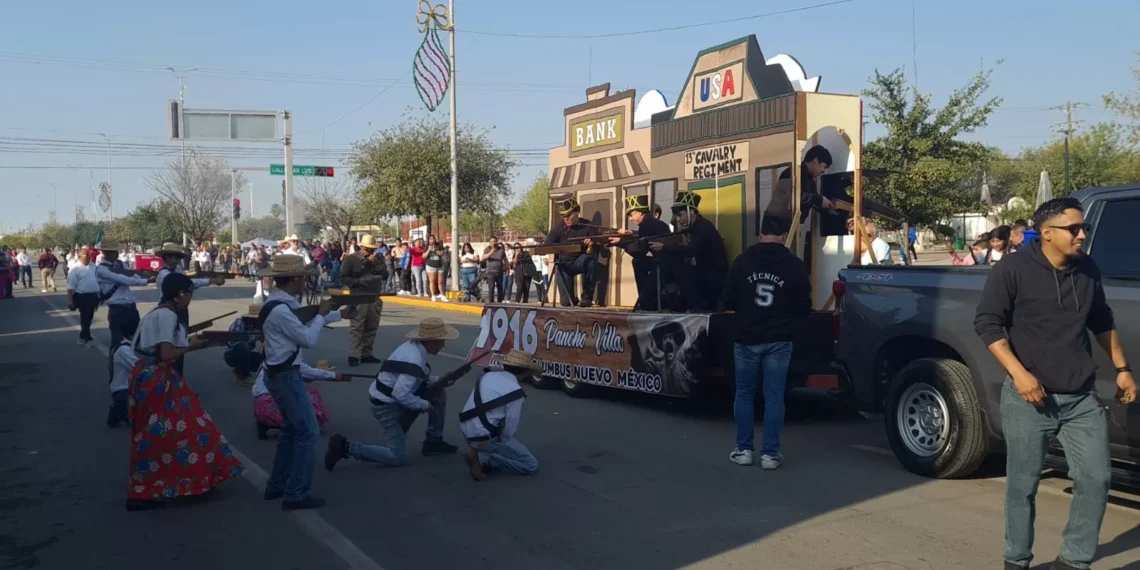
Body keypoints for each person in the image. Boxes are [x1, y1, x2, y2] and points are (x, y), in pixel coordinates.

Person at [974, 197, 1136, 570]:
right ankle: (1016, 560)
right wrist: (1020, 373)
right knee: (1022, 486)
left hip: (1080, 398)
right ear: (1046, 233)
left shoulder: (1087, 269)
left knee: (1096, 479)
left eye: (1085, 229)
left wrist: (1123, 368)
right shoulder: (1013, 269)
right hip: (1031, 399)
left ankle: (1074, 561)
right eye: (1074, 229)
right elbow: (987, 324)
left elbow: (1102, 321)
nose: (1082, 235)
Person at [124, 273, 242, 511]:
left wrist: (198, 343)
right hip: (155, 376)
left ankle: (190, 480)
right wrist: (193, 346)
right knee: (158, 434)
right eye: (189, 294)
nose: (190, 299)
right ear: (179, 295)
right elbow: (167, 354)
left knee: (188, 428)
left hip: (154, 375)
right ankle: (143, 490)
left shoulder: (159, 313)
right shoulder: (167, 316)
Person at [257, 254, 349, 511]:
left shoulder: (279, 304)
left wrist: (337, 314)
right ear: (295, 279)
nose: (305, 283)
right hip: (286, 376)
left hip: (280, 374)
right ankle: (295, 493)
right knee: (308, 433)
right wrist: (321, 315)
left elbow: (303, 320)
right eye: (303, 278)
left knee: (291, 431)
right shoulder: (282, 310)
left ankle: (278, 484)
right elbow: (307, 337)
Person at [723, 215, 812, 469]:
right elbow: (804, 307)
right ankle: (770, 455)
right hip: (780, 340)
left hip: (747, 338)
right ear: (784, 236)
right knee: (774, 397)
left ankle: (744, 450)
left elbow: (727, 300)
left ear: (760, 234)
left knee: (744, 394)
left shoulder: (742, 262)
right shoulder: (794, 265)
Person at [324, 318, 462, 471]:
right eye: (440, 342)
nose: (443, 345)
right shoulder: (414, 358)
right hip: (386, 406)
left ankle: (433, 441)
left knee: (438, 392)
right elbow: (400, 394)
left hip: (387, 397)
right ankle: (346, 447)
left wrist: (439, 381)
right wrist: (424, 405)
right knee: (398, 457)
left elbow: (413, 378)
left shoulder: (412, 347)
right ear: (429, 341)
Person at [460, 350, 540, 481]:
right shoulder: (516, 392)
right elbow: (508, 432)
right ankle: (481, 458)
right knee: (531, 465)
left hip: (466, 428)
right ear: (525, 373)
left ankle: (481, 451)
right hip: (482, 437)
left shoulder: (487, 375)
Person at [155, 242, 225, 374]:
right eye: (174, 257)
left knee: (180, 344)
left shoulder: (176, 270)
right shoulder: (164, 274)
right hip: (170, 309)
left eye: (178, 257)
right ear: (167, 257)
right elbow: (188, 283)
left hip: (180, 309)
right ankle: (170, 384)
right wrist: (210, 281)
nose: (177, 260)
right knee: (171, 348)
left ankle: (177, 383)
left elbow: (188, 283)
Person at [659, 191, 728, 311]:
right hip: (709, 272)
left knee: (680, 269)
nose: (679, 220)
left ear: (691, 212)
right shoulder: (699, 226)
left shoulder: (702, 228)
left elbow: (691, 251)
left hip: (715, 274)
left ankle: (698, 306)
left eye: (681, 215)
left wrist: (664, 247)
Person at [611, 194, 677, 311]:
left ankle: (648, 300)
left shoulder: (646, 224)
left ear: (640, 212)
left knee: (646, 301)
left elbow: (639, 250)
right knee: (638, 262)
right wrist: (628, 235)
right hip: (666, 263)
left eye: (631, 215)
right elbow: (642, 239)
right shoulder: (652, 222)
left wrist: (621, 242)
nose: (630, 219)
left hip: (663, 266)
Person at [543, 194, 604, 307]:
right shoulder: (558, 227)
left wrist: (593, 242)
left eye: (568, 216)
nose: (565, 219)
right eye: (563, 216)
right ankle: (573, 298)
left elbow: (600, 240)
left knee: (590, 261)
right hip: (563, 264)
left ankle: (586, 298)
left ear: (577, 212)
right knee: (566, 303)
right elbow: (546, 245)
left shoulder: (587, 225)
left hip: (579, 261)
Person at [339, 234, 388, 367]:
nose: (370, 252)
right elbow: (343, 278)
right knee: (357, 326)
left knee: (372, 325)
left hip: (374, 295)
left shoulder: (377, 258)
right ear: (361, 247)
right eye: (367, 249)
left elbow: (385, 275)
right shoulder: (351, 259)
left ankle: (366, 353)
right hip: (358, 295)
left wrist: (377, 263)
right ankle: (354, 355)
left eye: (372, 249)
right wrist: (358, 281)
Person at [107, 317, 140, 428]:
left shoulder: (130, 347)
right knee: (138, 422)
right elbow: (139, 367)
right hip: (123, 390)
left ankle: (118, 409)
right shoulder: (124, 351)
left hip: (130, 389)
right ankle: (118, 409)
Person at [223, 304, 265, 387]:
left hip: (245, 355)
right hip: (231, 354)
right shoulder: (239, 322)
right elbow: (236, 343)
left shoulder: (256, 326)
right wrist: (253, 337)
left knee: (263, 360)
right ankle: (244, 376)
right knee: (242, 346)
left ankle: (240, 369)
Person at [66, 249, 101, 346]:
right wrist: (70, 301)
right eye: (85, 257)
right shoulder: (74, 269)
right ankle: (86, 338)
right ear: (79, 257)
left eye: (89, 257)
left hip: (93, 295)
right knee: (85, 317)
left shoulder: (94, 266)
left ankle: (83, 336)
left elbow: (98, 280)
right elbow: (70, 287)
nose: (87, 259)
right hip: (82, 296)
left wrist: (99, 296)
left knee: (90, 317)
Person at [482, 237, 508, 303]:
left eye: (495, 241)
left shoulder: (501, 249)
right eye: (492, 241)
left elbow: (505, 259)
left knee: (500, 287)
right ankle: (491, 302)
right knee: (491, 287)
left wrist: (507, 267)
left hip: (499, 271)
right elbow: (483, 258)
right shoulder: (487, 249)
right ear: (490, 242)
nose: (494, 243)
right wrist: (491, 251)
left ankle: (500, 302)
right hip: (490, 272)